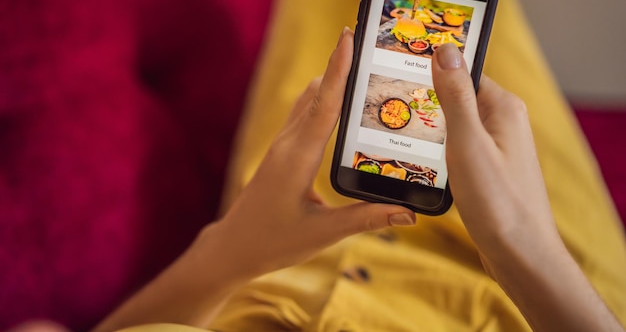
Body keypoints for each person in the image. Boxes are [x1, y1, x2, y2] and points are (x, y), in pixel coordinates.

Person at [86, 33, 624, 332]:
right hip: (517, 289)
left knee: (349, 3)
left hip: (269, 253)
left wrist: (228, 250)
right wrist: (524, 249)